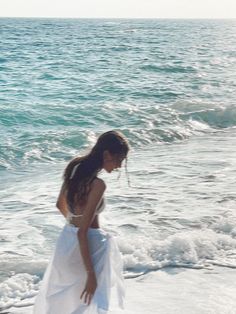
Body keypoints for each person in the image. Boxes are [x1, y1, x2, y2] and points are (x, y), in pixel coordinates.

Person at [33, 130, 129, 314]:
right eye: (119, 159)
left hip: (66, 243)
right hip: (88, 248)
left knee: (66, 303)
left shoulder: (75, 167)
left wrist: (75, 221)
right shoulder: (98, 185)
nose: (119, 165)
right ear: (107, 154)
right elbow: (82, 232)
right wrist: (90, 275)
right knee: (89, 304)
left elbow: (60, 205)